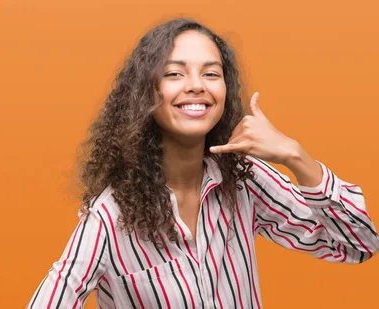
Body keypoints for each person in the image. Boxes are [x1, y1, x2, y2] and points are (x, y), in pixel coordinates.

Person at [26, 18, 378, 309]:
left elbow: (358, 245)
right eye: (175, 74)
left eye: (211, 74)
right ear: (147, 93)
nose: (196, 86)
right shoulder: (110, 217)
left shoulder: (244, 180)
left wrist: (295, 156)